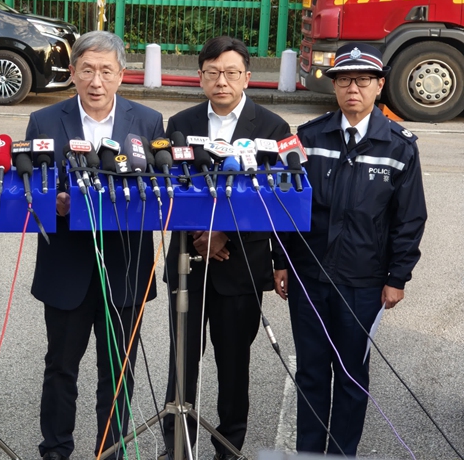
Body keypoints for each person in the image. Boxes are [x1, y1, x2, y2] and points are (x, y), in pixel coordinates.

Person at [273, 43, 427, 455]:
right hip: (308, 277)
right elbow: (288, 204)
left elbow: (409, 219)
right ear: (334, 87)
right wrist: (281, 261)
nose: (352, 88)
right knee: (310, 373)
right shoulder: (308, 136)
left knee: (352, 377)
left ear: (379, 86)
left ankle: (342, 453)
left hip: (363, 282)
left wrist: (397, 278)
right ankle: (308, 452)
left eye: (362, 80)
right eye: (343, 80)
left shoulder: (399, 145)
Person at [25, 30, 164, 460]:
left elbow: (158, 187)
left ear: (122, 75)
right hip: (66, 267)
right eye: (87, 70)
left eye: (106, 71)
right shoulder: (46, 122)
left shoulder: (147, 123)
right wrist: (55, 203)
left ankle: (112, 451)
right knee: (60, 369)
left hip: (125, 268)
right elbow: (31, 187)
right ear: (73, 73)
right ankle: (56, 450)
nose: (96, 81)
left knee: (118, 374)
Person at [159, 36, 291, 460]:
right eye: (213, 72)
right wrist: (201, 232)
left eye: (231, 72)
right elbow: (172, 188)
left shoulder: (271, 128)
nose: (222, 81)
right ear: (200, 77)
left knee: (234, 368)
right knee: (182, 365)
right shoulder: (179, 123)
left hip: (241, 266)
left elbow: (273, 200)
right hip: (188, 264)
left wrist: (224, 234)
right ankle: (177, 447)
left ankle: (228, 448)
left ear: (247, 78)